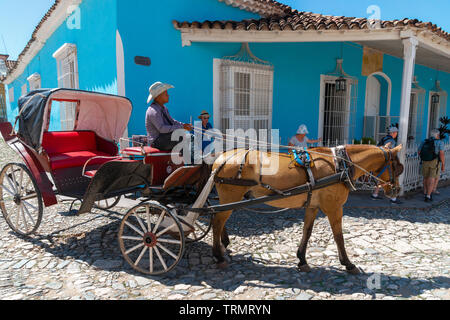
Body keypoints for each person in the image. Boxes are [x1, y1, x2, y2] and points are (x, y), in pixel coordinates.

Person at [145, 82, 193, 151]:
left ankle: (185, 158)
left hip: (165, 138)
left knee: (187, 136)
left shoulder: (164, 108)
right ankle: (191, 158)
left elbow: (172, 122)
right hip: (156, 142)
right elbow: (162, 129)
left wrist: (183, 125)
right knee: (182, 137)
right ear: (158, 96)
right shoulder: (153, 111)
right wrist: (182, 127)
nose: (168, 95)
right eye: (166, 94)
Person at [371, 125, 402, 204]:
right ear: (393, 133)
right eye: (396, 132)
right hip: (387, 163)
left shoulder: (384, 138)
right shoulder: (391, 140)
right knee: (393, 179)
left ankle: (375, 194)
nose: (397, 134)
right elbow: (388, 150)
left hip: (380, 162)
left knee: (380, 178)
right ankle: (393, 198)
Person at [418, 129, 445, 202]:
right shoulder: (440, 142)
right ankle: (428, 196)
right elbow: (441, 154)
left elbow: (419, 152)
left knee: (425, 177)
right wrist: (443, 164)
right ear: (437, 135)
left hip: (425, 161)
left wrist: (425, 157)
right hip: (434, 161)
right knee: (432, 178)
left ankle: (425, 192)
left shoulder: (424, 141)